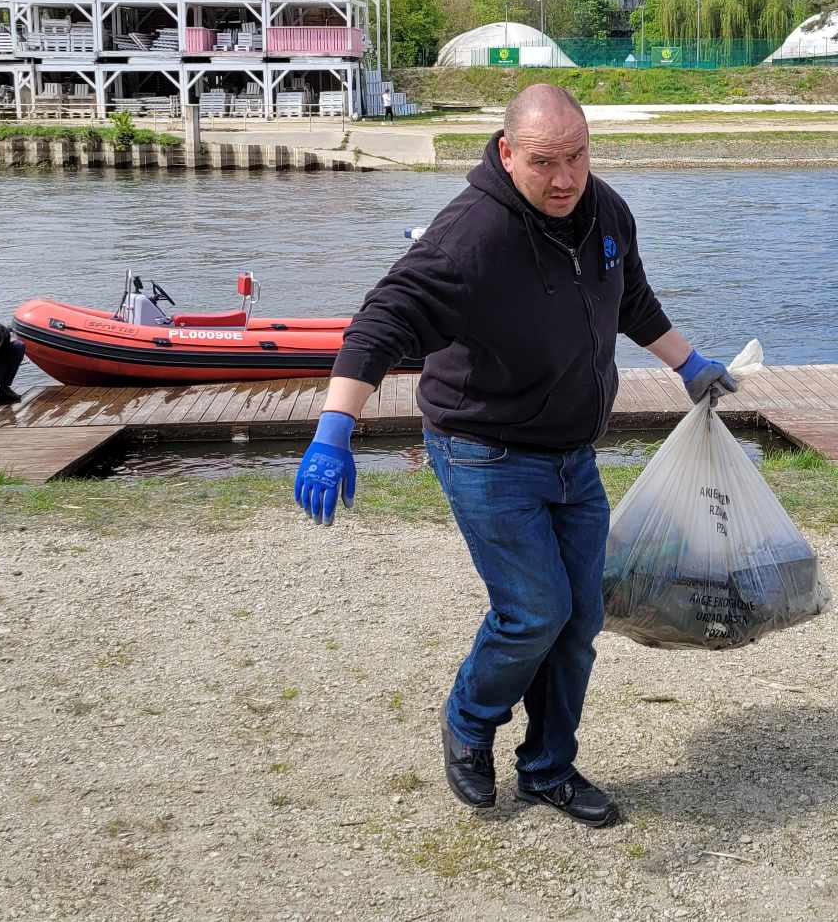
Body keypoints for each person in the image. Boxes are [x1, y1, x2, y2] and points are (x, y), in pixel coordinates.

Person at [291, 84, 738, 828]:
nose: (563, 178)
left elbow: (630, 300)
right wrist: (333, 430)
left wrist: (688, 364)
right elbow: (379, 323)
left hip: (572, 453)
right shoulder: (472, 236)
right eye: (543, 162)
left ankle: (548, 770)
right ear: (506, 152)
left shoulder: (605, 212)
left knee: (580, 618)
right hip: (484, 452)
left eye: (576, 157)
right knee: (535, 611)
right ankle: (469, 719)